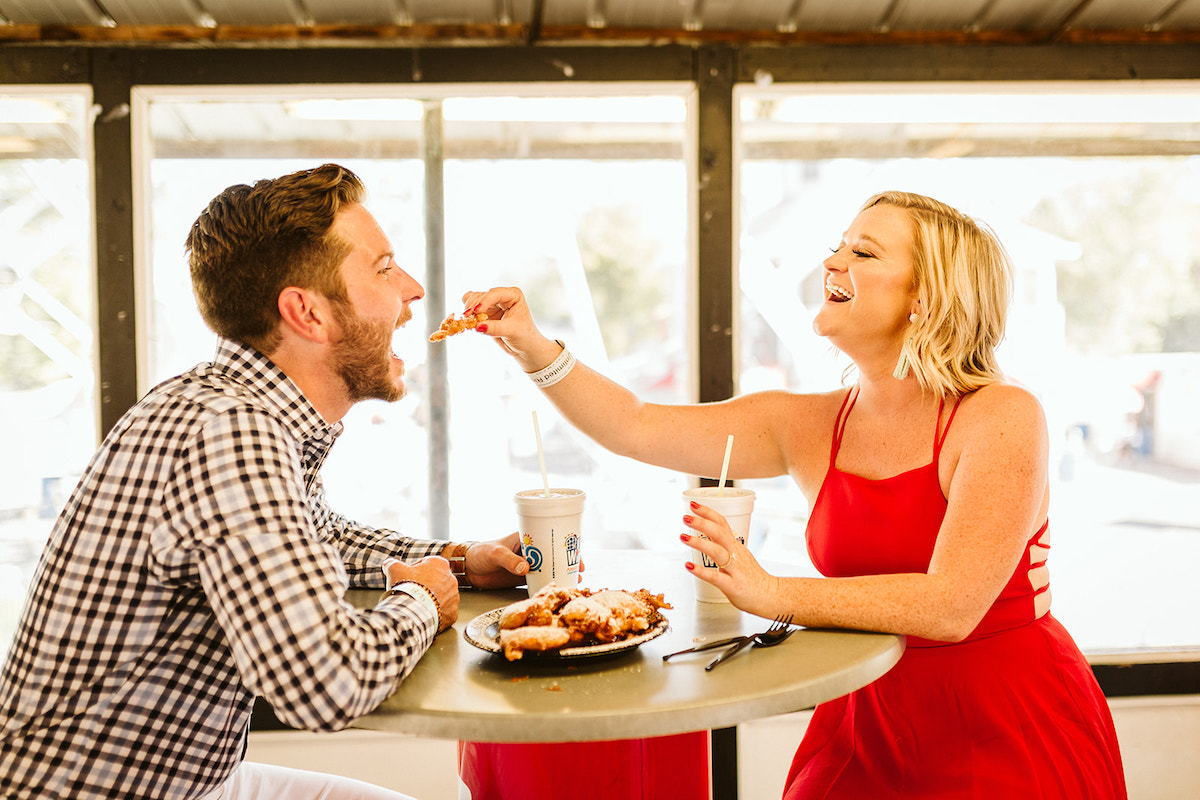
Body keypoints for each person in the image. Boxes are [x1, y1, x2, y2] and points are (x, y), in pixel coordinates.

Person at [461, 191, 1128, 798]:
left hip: (1003, 721)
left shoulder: (1000, 415)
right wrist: (530, 344)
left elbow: (953, 605)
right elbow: (635, 425)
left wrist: (771, 592)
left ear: (926, 296)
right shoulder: (808, 424)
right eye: (838, 244)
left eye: (862, 251)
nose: (833, 261)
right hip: (868, 715)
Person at [0, 163, 529, 800]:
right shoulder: (230, 431)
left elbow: (315, 540)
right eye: (384, 268)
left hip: (192, 776)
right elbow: (323, 682)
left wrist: (457, 562)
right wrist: (424, 600)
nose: (412, 290)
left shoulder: (231, 406)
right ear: (305, 311)